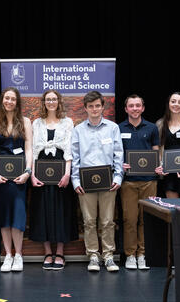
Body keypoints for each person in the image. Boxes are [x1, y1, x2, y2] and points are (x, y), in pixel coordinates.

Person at [71, 91, 123, 272]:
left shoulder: (112, 128)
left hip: (109, 182)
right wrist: (75, 180)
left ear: (103, 107)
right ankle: (93, 255)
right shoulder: (78, 130)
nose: (94, 109)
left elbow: (118, 154)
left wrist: (118, 177)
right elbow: (75, 157)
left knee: (108, 221)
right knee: (89, 221)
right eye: (90, 106)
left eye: (97, 106)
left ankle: (108, 256)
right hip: (85, 184)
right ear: (85, 108)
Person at [29, 90, 78, 271]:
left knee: (61, 211)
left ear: (59, 102)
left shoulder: (67, 122)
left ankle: (60, 252)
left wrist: (67, 174)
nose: (51, 102)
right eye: (48, 99)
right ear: (44, 102)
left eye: (54, 99)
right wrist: (32, 175)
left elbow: (69, 151)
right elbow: (33, 152)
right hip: (41, 171)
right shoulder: (37, 123)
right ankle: (47, 252)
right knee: (43, 212)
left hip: (61, 172)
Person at [0, 87, 33, 272]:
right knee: (4, 216)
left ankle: (19, 255)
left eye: (13, 99)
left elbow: (29, 148)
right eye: (7, 98)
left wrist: (28, 171)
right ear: (2, 100)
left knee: (18, 215)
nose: (10, 102)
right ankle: (8, 255)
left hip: (20, 176)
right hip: (1, 178)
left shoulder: (26, 122)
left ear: (17, 102)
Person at [118, 94, 160, 270]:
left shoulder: (151, 128)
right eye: (131, 106)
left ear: (142, 108)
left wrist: (158, 166)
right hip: (128, 182)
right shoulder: (119, 128)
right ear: (126, 109)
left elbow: (156, 152)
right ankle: (130, 255)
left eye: (138, 106)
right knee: (129, 219)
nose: (134, 109)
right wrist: (120, 164)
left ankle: (142, 254)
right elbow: (116, 152)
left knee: (145, 219)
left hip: (149, 181)